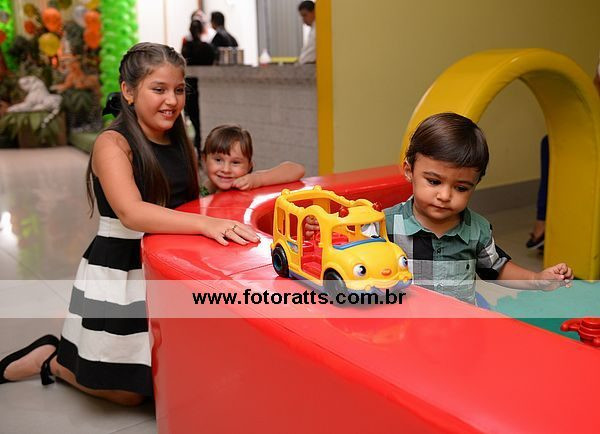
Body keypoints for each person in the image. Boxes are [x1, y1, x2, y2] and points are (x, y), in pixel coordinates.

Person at [0, 43, 258, 405]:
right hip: (122, 265)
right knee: (129, 394)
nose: (172, 100)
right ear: (128, 91)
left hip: (168, 262)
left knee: (167, 369)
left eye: (179, 89)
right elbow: (131, 212)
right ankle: (53, 360)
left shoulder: (178, 137)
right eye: (159, 89)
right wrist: (204, 224)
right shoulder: (112, 143)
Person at [382, 112, 572, 305]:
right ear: (409, 171)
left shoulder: (477, 229)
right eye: (434, 181)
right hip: (407, 320)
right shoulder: (385, 225)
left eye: (461, 188)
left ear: (475, 184)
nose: (445, 196)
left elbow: (497, 268)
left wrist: (536, 280)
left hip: (460, 320)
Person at [201, 124, 305, 195]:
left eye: (235, 162)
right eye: (218, 160)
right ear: (204, 159)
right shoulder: (207, 188)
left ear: (249, 166)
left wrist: (258, 179)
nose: (226, 169)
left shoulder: (249, 182)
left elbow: (297, 170)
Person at [182, 19, 215, 154]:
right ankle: (201, 152)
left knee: (193, 123)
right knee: (200, 124)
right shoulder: (206, 47)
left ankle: (195, 151)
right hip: (204, 90)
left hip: (189, 89)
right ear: (202, 31)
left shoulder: (186, 48)